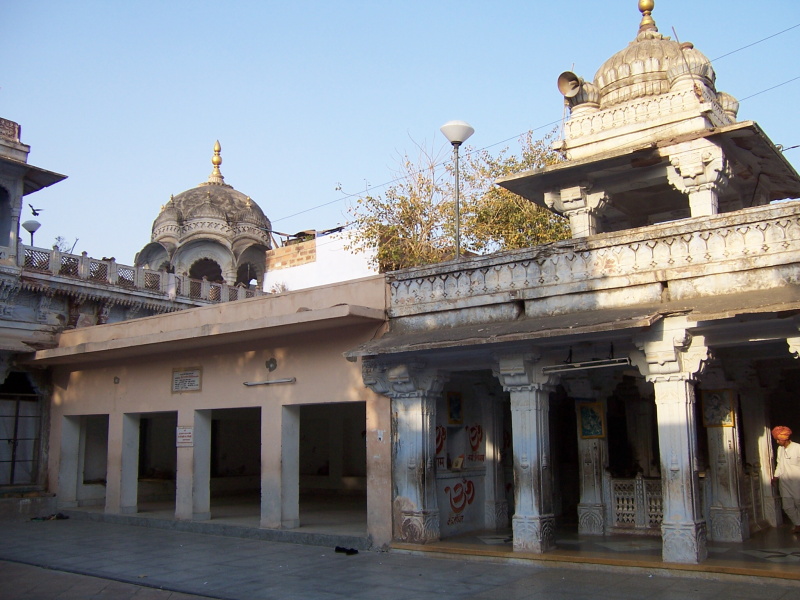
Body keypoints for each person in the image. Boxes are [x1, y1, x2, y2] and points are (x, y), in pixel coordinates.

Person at [772, 425, 800, 534]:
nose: (777, 442)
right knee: (787, 506)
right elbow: (779, 464)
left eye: (778, 439)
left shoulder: (797, 448)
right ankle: (798, 524)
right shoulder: (780, 449)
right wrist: (775, 476)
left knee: (798, 503)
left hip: (797, 482)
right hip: (784, 482)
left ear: (785, 438)